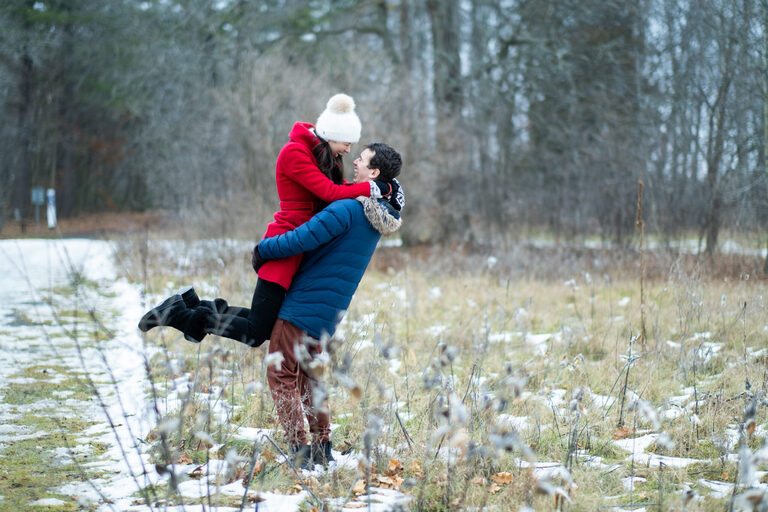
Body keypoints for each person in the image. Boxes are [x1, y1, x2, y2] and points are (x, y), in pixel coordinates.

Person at [140, 142, 403, 469]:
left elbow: (303, 238)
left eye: (362, 161)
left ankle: (299, 451)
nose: (355, 164)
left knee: (280, 374)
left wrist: (264, 249)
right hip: (329, 310)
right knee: (310, 377)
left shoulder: (348, 209)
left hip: (305, 303)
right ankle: (322, 449)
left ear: (374, 173)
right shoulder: (374, 219)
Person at [140, 93, 402, 345]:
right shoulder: (295, 154)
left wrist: (386, 188)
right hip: (285, 242)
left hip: (299, 246)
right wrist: (372, 188)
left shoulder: (327, 159)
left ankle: (193, 306)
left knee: (264, 322)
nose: (348, 150)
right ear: (332, 135)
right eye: (347, 142)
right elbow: (330, 193)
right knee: (256, 332)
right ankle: (177, 314)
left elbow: (338, 189)